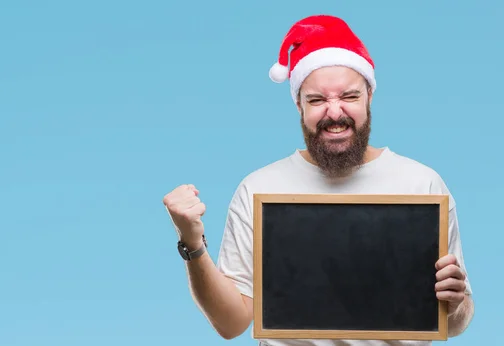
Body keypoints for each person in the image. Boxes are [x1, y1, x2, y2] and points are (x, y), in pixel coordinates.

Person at [162, 14, 474, 346]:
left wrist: (454, 304)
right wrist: (192, 243)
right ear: (298, 104)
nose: (334, 112)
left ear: (369, 96)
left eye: (349, 97)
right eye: (317, 100)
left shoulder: (421, 184)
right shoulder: (258, 189)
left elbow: (455, 322)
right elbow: (231, 323)